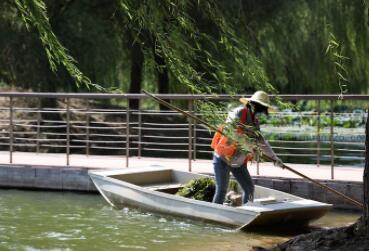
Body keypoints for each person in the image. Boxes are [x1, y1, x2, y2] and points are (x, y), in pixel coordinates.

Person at [210, 91, 283, 205]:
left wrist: (274, 158)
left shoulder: (255, 122)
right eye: (260, 106)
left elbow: (261, 142)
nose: (261, 109)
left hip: (238, 161)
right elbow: (230, 129)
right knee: (222, 189)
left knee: (249, 189)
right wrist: (245, 142)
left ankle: (247, 210)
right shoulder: (239, 112)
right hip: (223, 158)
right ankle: (213, 214)